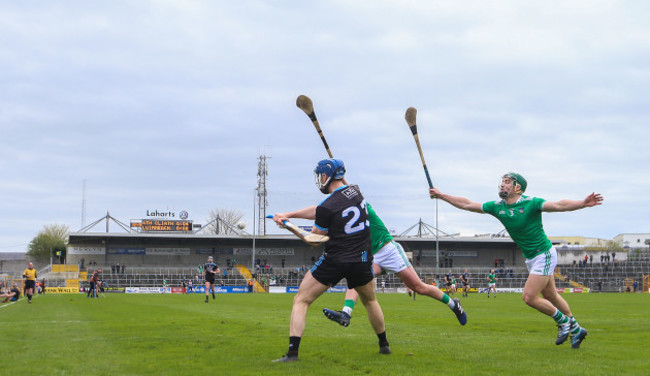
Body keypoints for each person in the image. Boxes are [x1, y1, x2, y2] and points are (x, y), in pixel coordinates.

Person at [429, 172, 603, 349]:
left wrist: (583, 203)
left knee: (529, 297)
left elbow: (559, 205)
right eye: (502, 182)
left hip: (544, 253)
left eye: (507, 182)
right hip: (531, 258)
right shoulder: (498, 206)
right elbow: (467, 204)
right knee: (550, 295)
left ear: (517, 187)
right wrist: (442, 195)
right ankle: (576, 329)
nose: (502, 185)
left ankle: (564, 321)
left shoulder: (531, 203)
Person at [271, 158, 390, 362]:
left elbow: (315, 239)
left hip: (335, 260)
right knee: (370, 301)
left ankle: (292, 353)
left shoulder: (328, 206)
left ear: (325, 177)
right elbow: (320, 210)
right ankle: (384, 345)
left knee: (301, 300)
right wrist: (289, 214)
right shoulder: (356, 192)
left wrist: (289, 226)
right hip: (362, 259)